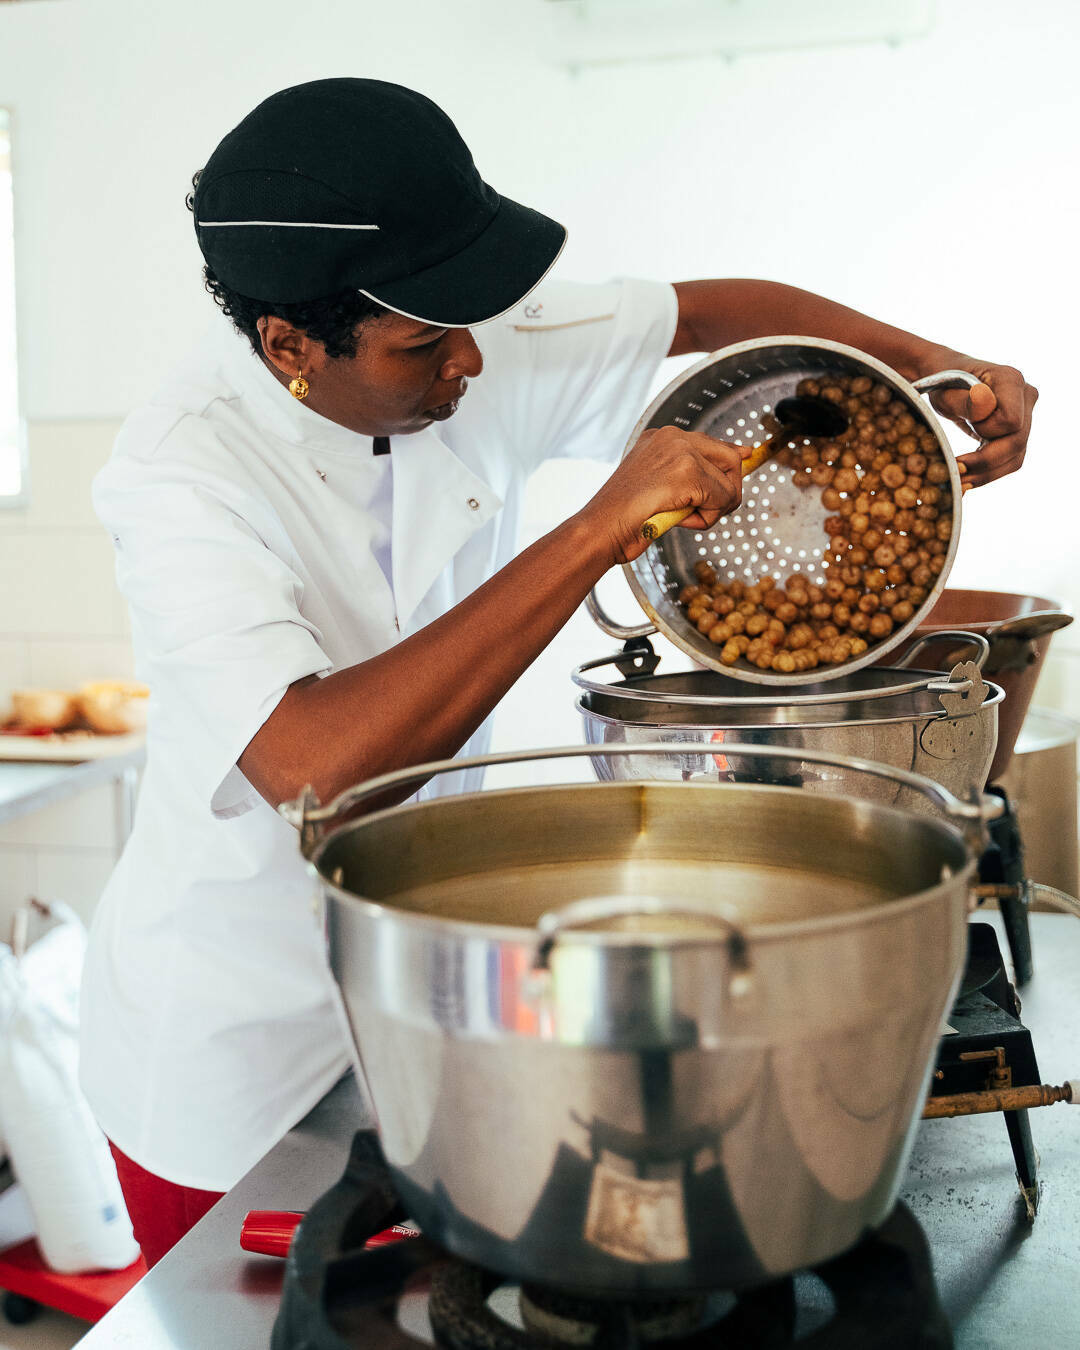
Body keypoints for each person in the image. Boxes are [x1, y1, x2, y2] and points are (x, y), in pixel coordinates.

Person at [79, 77, 1036, 1266]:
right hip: (234, 1059)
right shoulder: (178, 476)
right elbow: (312, 766)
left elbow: (707, 316)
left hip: (418, 1005)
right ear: (289, 349)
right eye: (426, 344)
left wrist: (928, 359)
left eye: (469, 324)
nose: (473, 361)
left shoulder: (447, 336)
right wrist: (595, 526)